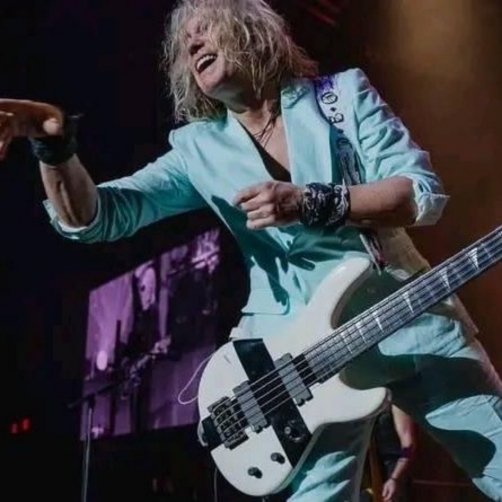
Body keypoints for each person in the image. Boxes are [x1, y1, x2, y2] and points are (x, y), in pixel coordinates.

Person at [1, 0, 502, 500]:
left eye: (204, 28)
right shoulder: (200, 148)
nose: (193, 44)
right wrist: (53, 144)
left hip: (407, 320)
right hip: (299, 361)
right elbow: (98, 217)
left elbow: (419, 193)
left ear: (250, 30)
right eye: (184, 44)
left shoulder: (342, 96)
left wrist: (309, 201)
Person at [371, 405, 416, 502]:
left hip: (393, 468)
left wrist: (395, 477)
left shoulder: (396, 404)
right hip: (368, 468)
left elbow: (408, 445)